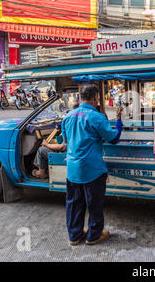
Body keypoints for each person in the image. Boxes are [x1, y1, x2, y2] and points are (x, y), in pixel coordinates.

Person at [62, 83, 123, 246]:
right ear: (95, 97)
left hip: (73, 170)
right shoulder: (96, 117)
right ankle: (93, 235)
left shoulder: (68, 116)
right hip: (92, 170)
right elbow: (114, 138)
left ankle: (74, 236)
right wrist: (119, 120)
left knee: (74, 204)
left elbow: (66, 141)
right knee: (94, 204)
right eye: (98, 98)